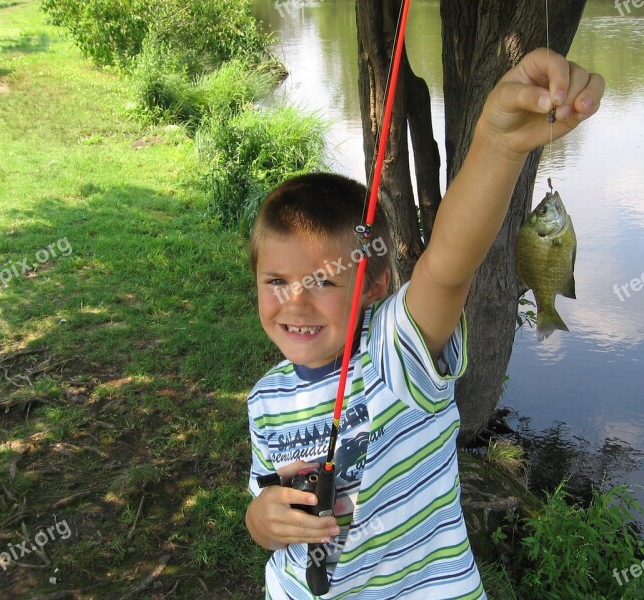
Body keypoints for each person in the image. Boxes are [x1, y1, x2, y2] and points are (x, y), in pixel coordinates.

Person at [245, 48, 604, 599]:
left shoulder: (393, 353)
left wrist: (498, 144)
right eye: (276, 282)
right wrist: (263, 522)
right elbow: (263, 505)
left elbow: (446, 268)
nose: (294, 304)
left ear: (375, 286)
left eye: (322, 281)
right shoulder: (265, 400)